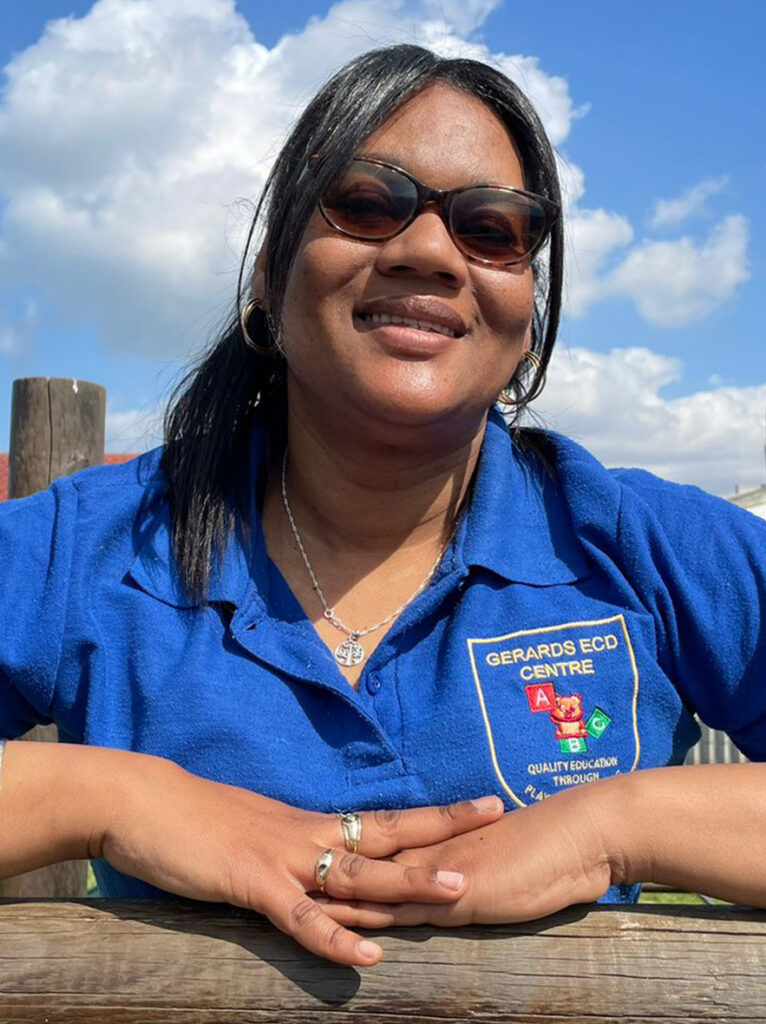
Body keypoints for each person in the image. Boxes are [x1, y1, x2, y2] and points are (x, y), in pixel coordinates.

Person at [1, 44, 765, 970]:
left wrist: (617, 825)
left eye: (492, 228)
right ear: (267, 278)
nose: (429, 253)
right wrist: (109, 798)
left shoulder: (649, 546)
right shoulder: (89, 547)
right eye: (367, 205)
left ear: (528, 314)